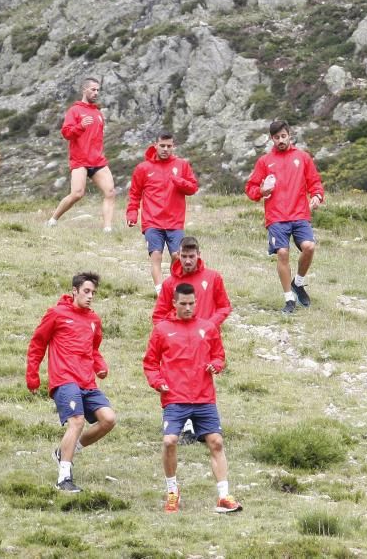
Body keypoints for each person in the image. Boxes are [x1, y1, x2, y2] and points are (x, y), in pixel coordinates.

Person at [143, 283, 242, 514]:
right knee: (169, 441)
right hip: (174, 397)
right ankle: (172, 492)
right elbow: (150, 362)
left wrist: (216, 365)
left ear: (196, 303)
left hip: (204, 397)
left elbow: (219, 355)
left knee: (216, 442)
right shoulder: (162, 329)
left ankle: (224, 496)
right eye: (183, 304)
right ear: (174, 303)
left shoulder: (208, 328)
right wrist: (157, 382)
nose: (188, 308)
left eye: (191, 303)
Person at [26, 272, 117, 492]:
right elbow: (38, 343)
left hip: (87, 382)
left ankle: (65, 451)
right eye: (86, 291)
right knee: (77, 421)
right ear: (74, 291)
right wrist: (33, 374)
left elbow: (94, 350)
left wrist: (100, 365)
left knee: (109, 419)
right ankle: (63, 478)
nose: (90, 296)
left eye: (93, 293)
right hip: (64, 380)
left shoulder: (94, 320)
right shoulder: (56, 314)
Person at [152, 235, 232, 444]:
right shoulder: (170, 283)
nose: (188, 260)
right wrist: (171, 332)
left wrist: (211, 325)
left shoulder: (213, 277)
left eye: (192, 256)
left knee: (205, 375)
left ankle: (204, 424)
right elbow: (158, 315)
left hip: (205, 340)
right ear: (178, 256)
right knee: (179, 376)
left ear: (199, 255)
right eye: (184, 256)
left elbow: (224, 306)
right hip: (179, 341)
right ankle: (185, 427)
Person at [245, 119, 325, 314]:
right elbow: (250, 188)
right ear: (271, 139)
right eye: (276, 137)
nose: (280, 140)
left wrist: (317, 196)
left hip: (300, 214)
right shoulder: (264, 161)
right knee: (282, 253)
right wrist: (262, 191)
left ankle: (298, 282)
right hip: (276, 217)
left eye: (283, 136)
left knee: (309, 247)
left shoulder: (303, 157)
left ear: (289, 135)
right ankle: (289, 299)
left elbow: (315, 182)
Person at [126, 131, 199, 294]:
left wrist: (179, 181)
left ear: (174, 147)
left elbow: (193, 188)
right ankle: (160, 291)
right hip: (152, 221)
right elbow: (134, 193)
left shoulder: (182, 165)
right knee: (156, 256)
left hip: (175, 221)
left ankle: (173, 286)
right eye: (162, 146)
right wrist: (132, 213)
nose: (166, 149)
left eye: (169, 146)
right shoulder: (143, 168)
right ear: (155, 145)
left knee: (177, 256)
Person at [46, 78, 116, 232]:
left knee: (110, 192)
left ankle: (107, 229)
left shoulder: (98, 113)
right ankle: (53, 220)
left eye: (98, 90)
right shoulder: (74, 110)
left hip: (98, 160)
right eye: (93, 89)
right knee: (77, 194)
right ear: (84, 90)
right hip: (80, 160)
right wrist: (80, 126)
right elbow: (66, 133)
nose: (96, 93)